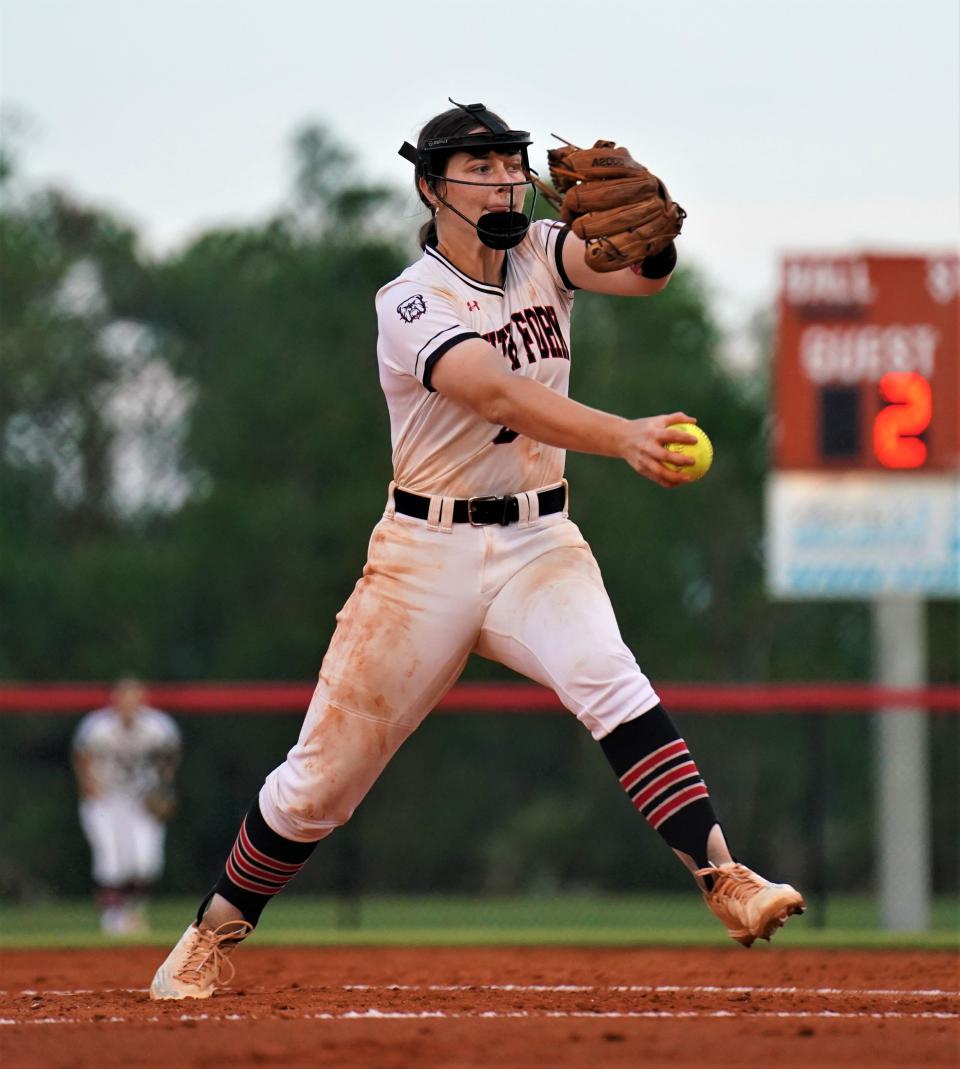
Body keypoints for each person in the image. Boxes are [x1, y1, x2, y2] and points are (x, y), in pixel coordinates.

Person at [150, 100, 804, 999]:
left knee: (613, 683)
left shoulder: (543, 251)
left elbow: (641, 276)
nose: (503, 176)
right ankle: (211, 931)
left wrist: (651, 236)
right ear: (432, 185)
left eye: (510, 161)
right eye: (480, 165)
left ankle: (725, 875)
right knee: (318, 786)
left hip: (538, 540)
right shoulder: (409, 301)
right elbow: (492, 391)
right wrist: (621, 437)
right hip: (423, 557)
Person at [73, 676, 181, 935]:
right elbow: (82, 756)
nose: (129, 703)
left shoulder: (158, 726)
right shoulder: (97, 727)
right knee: (110, 859)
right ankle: (112, 918)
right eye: (124, 697)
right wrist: (89, 786)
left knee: (146, 861)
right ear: (114, 700)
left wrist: (163, 788)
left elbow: (170, 756)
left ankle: (134, 912)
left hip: (141, 799)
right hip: (106, 798)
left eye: (134, 697)